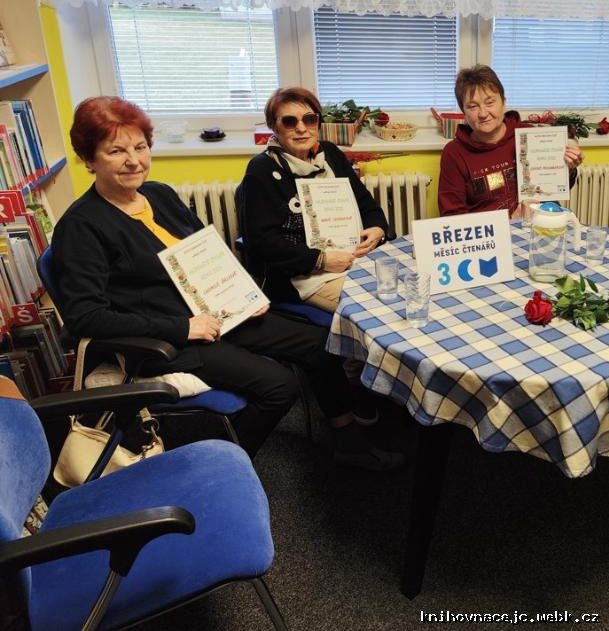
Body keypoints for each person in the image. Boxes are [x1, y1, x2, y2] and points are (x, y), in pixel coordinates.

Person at [51, 96, 401, 469]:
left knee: (320, 344)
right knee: (280, 386)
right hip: (171, 339)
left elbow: (210, 253)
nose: (133, 160)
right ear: (89, 159)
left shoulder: (159, 195)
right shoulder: (81, 226)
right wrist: (183, 327)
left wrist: (245, 294)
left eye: (140, 147)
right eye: (116, 151)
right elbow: (85, 317)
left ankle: (348, 441)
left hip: (220, 314)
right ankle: (222, 468)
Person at [241, 86, 388, 312]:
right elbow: (262, 243)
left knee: (404, 287)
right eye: (289, 121)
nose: (301, 128)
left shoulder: (331, 155)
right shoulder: (261, 170)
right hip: (306, 277)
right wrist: (321, 260)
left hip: (355, 260)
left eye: (309, 119)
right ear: (274, 127)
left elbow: (367, 205)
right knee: (377, 307)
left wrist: (377, 228)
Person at [438, 65, 584, 216]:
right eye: (473, 106)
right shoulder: (454, 153)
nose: (482, 113)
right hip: (489, 230)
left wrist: (568, 167)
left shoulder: (529, 137)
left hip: (535, 224)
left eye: (490, 102)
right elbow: (452, 216)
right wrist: (508, 221)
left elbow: (552, 190)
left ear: (503, 102)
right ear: (464, 112)